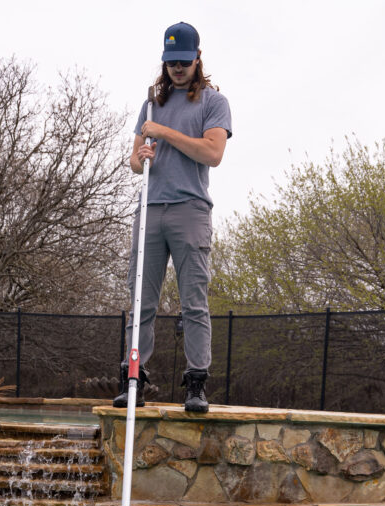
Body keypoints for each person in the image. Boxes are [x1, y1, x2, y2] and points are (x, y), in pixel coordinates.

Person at [114, 21, 232, 413]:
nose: (177, 69)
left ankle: (196, 383)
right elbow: (135, 161)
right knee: (141, 300)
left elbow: (212, 154)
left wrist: (163, 133)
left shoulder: (214, 103)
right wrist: (141, 156)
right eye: (171, 62)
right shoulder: (152, 103)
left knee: (193, 302)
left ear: (197, 58)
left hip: (190, 210)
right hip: (150, 209)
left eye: (183, 61)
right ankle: (133, 378)